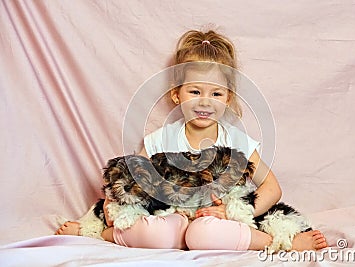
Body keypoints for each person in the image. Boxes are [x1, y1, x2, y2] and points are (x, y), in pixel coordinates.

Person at [56, 29, 327, 252]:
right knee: (161, 235)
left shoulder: (236, 141)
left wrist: (234, 213)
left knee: (203, 234)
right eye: (195, 91)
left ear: (228, 98)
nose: (205, 102)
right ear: (177, 95)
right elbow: (129, 181)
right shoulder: (161, 139)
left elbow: (272, 187)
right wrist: (110, 204)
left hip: (215, 223)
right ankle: (104, 233)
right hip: (171, 222)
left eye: (217, 94)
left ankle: (276, 243)